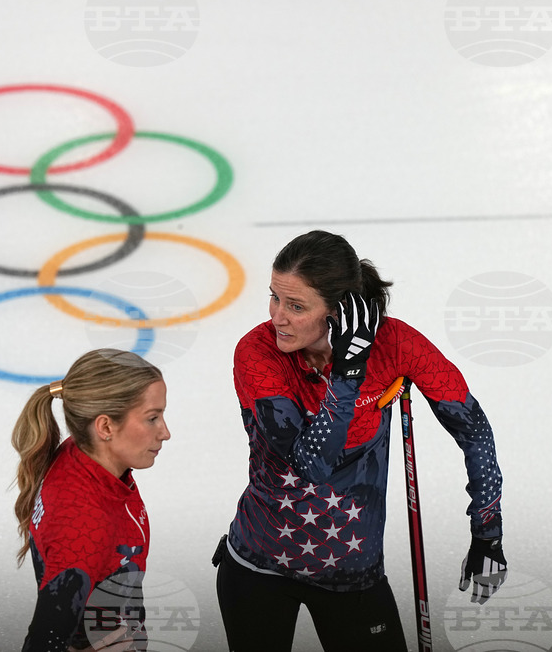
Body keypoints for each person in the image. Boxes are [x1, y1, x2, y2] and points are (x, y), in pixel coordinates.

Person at [215, 230, 508, 651]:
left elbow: (474, 430)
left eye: (296, 306)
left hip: (352, 573)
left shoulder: (396, 344)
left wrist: (487, 532)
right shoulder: (257, 352)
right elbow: (310, 464)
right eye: (275, 297)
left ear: (338, 312)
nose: (277, 316)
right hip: (259, 566)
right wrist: (348, 374)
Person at [12, 348, 170, 651]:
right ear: (106, 427)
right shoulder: (84, 526)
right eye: (152, 418)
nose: (165, 432)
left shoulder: (84, 455)